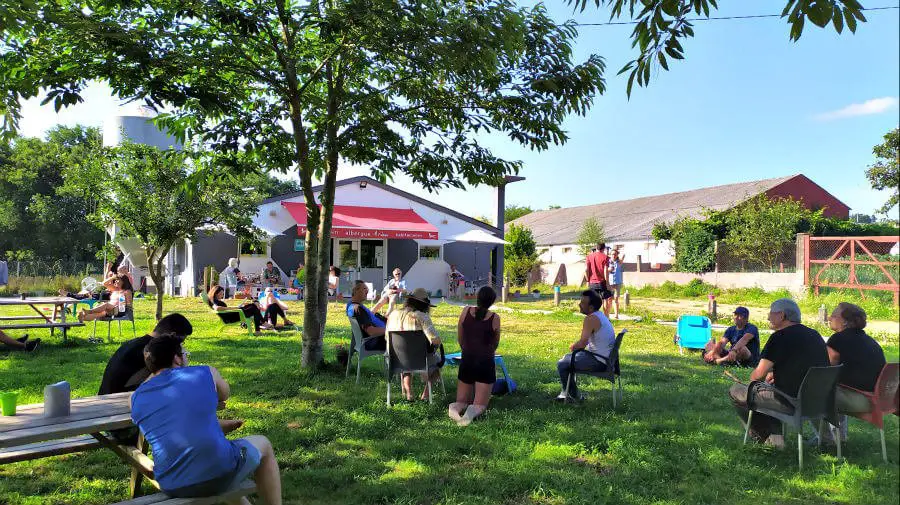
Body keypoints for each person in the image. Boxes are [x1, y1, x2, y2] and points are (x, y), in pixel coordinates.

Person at [131, 334, 282, 504]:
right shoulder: (205, 372)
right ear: (177, 358)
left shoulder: (136, 397)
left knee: (215, 461)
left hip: (171, 482)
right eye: (185, 354)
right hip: (219, 473)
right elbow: (224, 394)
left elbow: (178, 427)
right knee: (263, 444)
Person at [728, 298, 828, 448]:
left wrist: (755, 379)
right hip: (817, 401)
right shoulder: (815, 335)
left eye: (771, 313)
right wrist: (776, 374)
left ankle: (768, 439)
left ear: (781, 316)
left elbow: (757, 376)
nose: (768, 317)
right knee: (769, 387)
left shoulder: (779, 337)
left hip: (790, 402)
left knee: (738, 390)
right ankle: (775, 438)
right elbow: (803, 364)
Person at [449, 286, 500, 426]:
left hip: (467, 359)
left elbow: (460, 336)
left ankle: (454, 410)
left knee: (460, 402)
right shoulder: (495, 318)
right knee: (479, 405)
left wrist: (466, 349)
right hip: (485, 362)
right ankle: (472, 411)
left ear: (477, 297)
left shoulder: (465, 311)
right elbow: (495, 343)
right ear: (492, 302)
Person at [555, 289, 616, 402]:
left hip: (599, 362)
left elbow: (582, 344)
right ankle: (567, 392)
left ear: (591, 307)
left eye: (583, 303)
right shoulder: (600, 315)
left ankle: (573, 396)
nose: (579, 304)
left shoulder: (590, 319)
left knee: (562, 364)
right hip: (606, 360)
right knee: (567, 358)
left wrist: (574, 346)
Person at [827, 302, 886, 414]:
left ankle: (826, 432)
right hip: (876, 400)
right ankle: (832, 431)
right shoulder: (870, 341)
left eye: (834, 315)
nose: (829, 318)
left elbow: (827, 368)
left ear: (844, 321)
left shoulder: (838, 339)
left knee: (815, 393)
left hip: (858, 401)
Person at [386, 288, 443, 401]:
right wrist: (438, 344)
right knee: (437, 365)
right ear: (424, 305)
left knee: (406, 367)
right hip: (420, 359)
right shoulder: (422, 317)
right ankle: (425, 395)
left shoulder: (393, 315)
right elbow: (435, 340)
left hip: (396, 358)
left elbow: (387, 337)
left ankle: (409, 393)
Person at [207, 285, 273, 335]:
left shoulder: (215, 300)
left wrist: (237, 307)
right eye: (221, 294)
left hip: (232, 314)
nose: (222, 295)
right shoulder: (214, 301)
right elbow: (217, 308)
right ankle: (261, 325)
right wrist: (235, 308)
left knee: (253, 306)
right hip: (230, 318)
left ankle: (260, 328)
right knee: (253, 306)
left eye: (222, 294)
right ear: (215, 293)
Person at [345, 281, 386, 351]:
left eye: (367, 288)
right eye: (364, 288)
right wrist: (391, 330)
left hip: (378, 336)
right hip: (375, 340)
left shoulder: (351, 305)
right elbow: (371, 331)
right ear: (355, 290)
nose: (367, 291)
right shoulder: (358, 309)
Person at [584, 242, 612, 316]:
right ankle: (606, 317)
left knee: (593, 301)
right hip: (602, 282)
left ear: (596, 247)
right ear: (604, 249)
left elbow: (586, 269)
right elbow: (606, 270)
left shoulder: (589, 257)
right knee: (605, 299)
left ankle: (593, 317)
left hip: (592, 282)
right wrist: (607, 282)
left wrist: (587, 280)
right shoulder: (605, 257)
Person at [606, 249, 624, 318]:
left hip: (617, 282)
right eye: (612, 254)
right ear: (610, 255)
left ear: (617, 255)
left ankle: (616, 315)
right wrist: (608, 270)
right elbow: (604, 270)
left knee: (616, 298)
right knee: (609, 299)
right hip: (609, 283)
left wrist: (619, 251)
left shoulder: (619, 262)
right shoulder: (607, 262)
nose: (614, 255)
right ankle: (608, 314)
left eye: (615, 254)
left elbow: (623, 255)